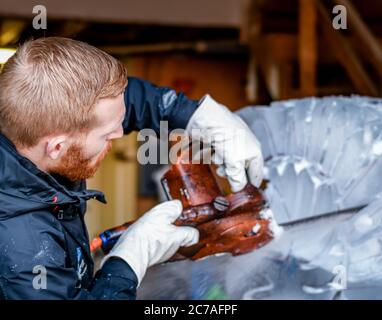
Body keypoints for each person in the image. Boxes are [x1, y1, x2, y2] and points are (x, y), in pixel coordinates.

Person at [0, 37, 263, 299]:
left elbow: (123, 102)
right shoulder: (25, 255)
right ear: (56, 147)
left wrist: (198, 116)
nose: (120, 132)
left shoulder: (29, 117)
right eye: (107, 135)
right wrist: (126, 262)